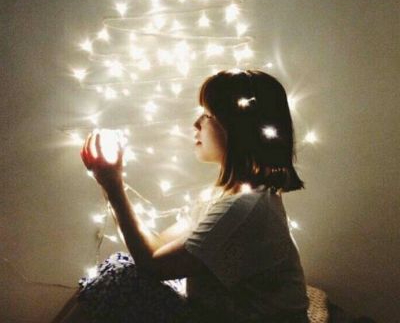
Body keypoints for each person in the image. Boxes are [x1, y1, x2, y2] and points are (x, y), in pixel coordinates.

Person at [53, 69, 310, 323]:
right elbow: (156, 248)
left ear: (236, 129)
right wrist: (109, 182)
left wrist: (113, 186)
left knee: (119, 278)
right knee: (118, 268)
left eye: (207, 115)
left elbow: (153, 266)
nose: (196, 123)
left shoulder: (243, 209)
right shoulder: (225, 196)